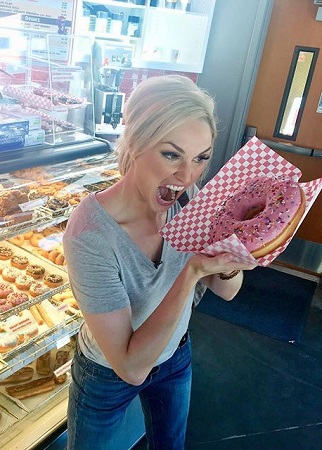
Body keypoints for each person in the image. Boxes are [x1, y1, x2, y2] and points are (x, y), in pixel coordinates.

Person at [63, 75, 255, 450]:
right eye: (171, 154)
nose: (186, 176)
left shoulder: (188, 199)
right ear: (135, 143)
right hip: (107, 373)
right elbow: (131, 368)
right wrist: (193, 272)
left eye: (200, 158)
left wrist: (229, 261)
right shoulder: (90, 234)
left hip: (175, 354)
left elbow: (228, 292)